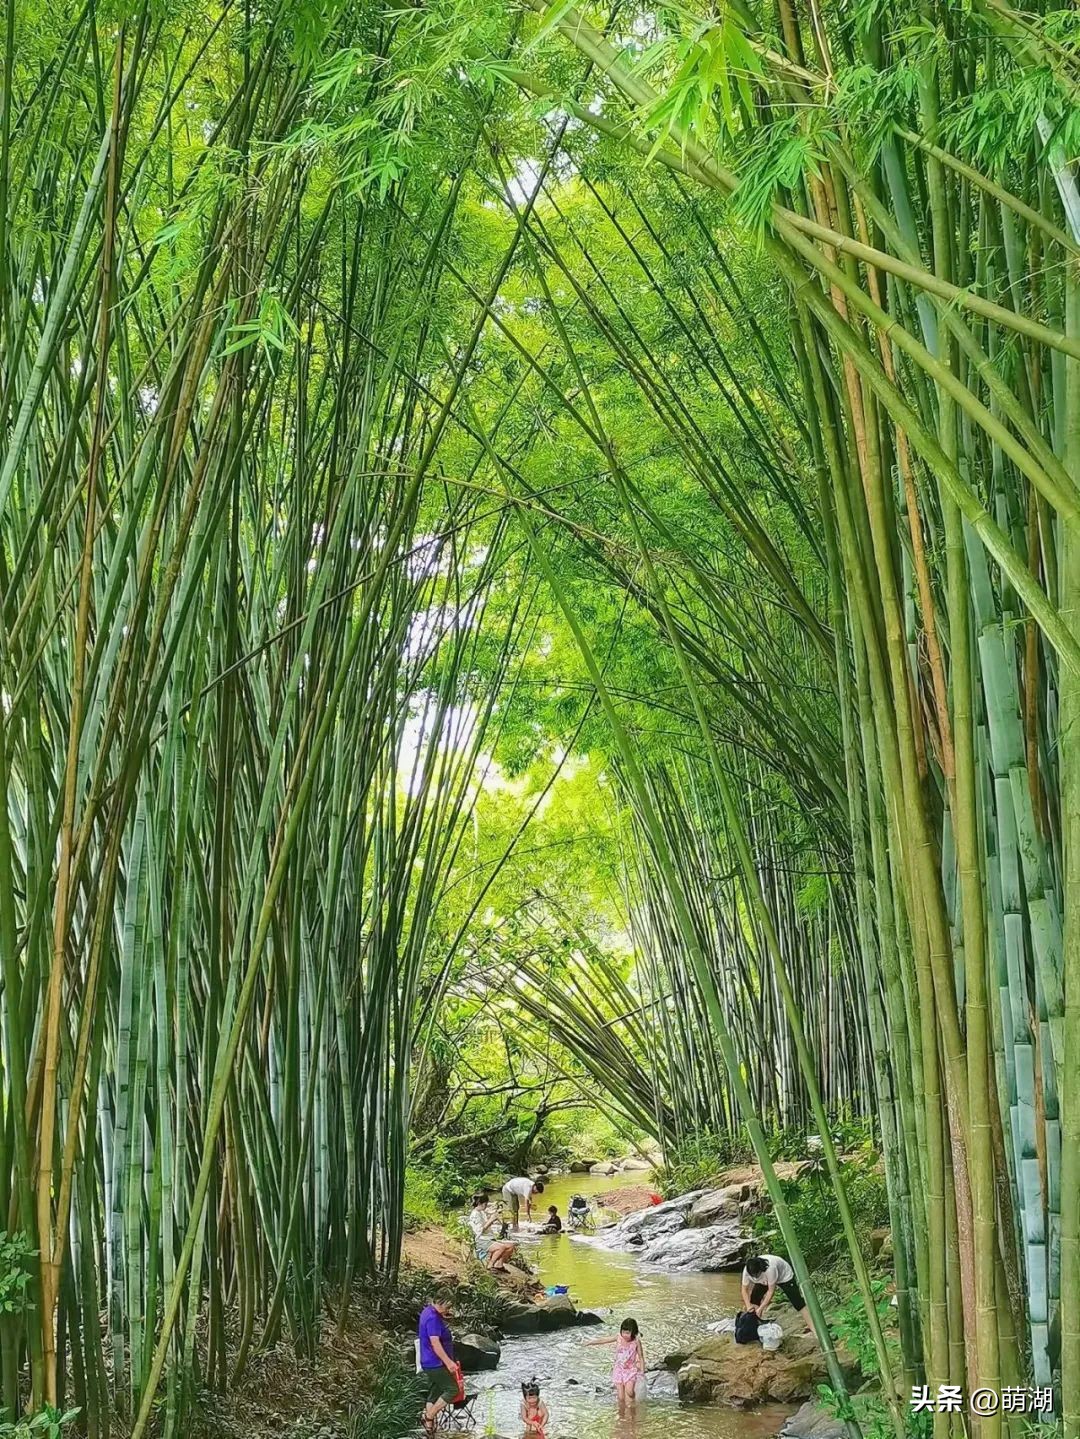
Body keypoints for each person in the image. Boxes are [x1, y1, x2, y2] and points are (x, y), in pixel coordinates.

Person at [418, 1286, 461, 1432]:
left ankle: (430, 1430)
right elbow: (435, 1343)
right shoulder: (433, 1318)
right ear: (440, 1302)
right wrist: (449, 1362)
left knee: (435, 1392)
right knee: (452, 1389)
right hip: (434, 1362)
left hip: (429, 1361)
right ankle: (428, 1417)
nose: (448, 1310)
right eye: (448, 1306)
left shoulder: (428, 1311)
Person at [585, 1316, 645, 1415]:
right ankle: (621, 1416)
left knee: (630, 1391)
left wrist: (642, 1371)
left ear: (633, 1332)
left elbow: (641, 1356)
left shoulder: (636, 1341)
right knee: (621, 1397)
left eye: (628, 1333)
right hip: (618, 1371)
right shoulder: (618, 1337)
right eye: (624, 1332)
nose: (625, 1335)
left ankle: (633, 1401)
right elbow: (604, 1340)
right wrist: (591, 1342)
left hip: (630, 1370)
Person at [741, 1253, 813, 1335]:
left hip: (784, 1277)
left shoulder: (770, 1268)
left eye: (757, 1275)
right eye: (753, 1276)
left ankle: (812, 1326)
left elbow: (770, 1291)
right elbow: (744, 1290)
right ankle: (755, 1326)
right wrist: (748, 1306)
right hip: (763, 1280)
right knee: (754, 1299)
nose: (755, 1277)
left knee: (798, 1302)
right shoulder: (747, 1271)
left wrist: (761, 1308)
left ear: (760, 1270)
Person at [466, 1193, 517, 1270]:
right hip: (481, 1240)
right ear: (480, 1203)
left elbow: (486, 1222)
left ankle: (499, 1264)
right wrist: (491, 1220)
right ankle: (490, 1265)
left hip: (488, 1238)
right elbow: (480, 1230)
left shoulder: (481, 1212)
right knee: (501, 1247)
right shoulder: (475, 1214)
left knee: (511, 1246)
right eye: (485, 1204)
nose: (486, 1206)